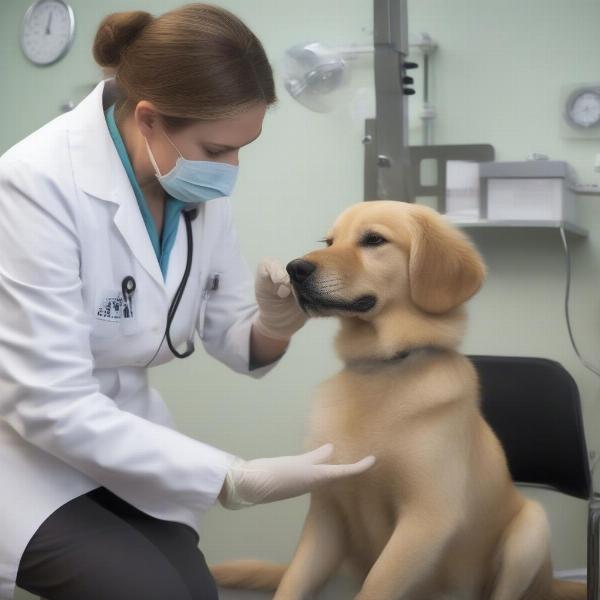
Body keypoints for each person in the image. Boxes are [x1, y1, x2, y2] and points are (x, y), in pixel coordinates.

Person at [0, 4, 375, 600]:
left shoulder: (189, 175)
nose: (232, 169)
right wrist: (231, 475)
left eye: (243, 146)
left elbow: (229, 335)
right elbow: (49, 403)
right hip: (19, 452)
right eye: (218, 148)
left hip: (123, 436)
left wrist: (278, 322)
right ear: (149, 119)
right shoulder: (33, 186)